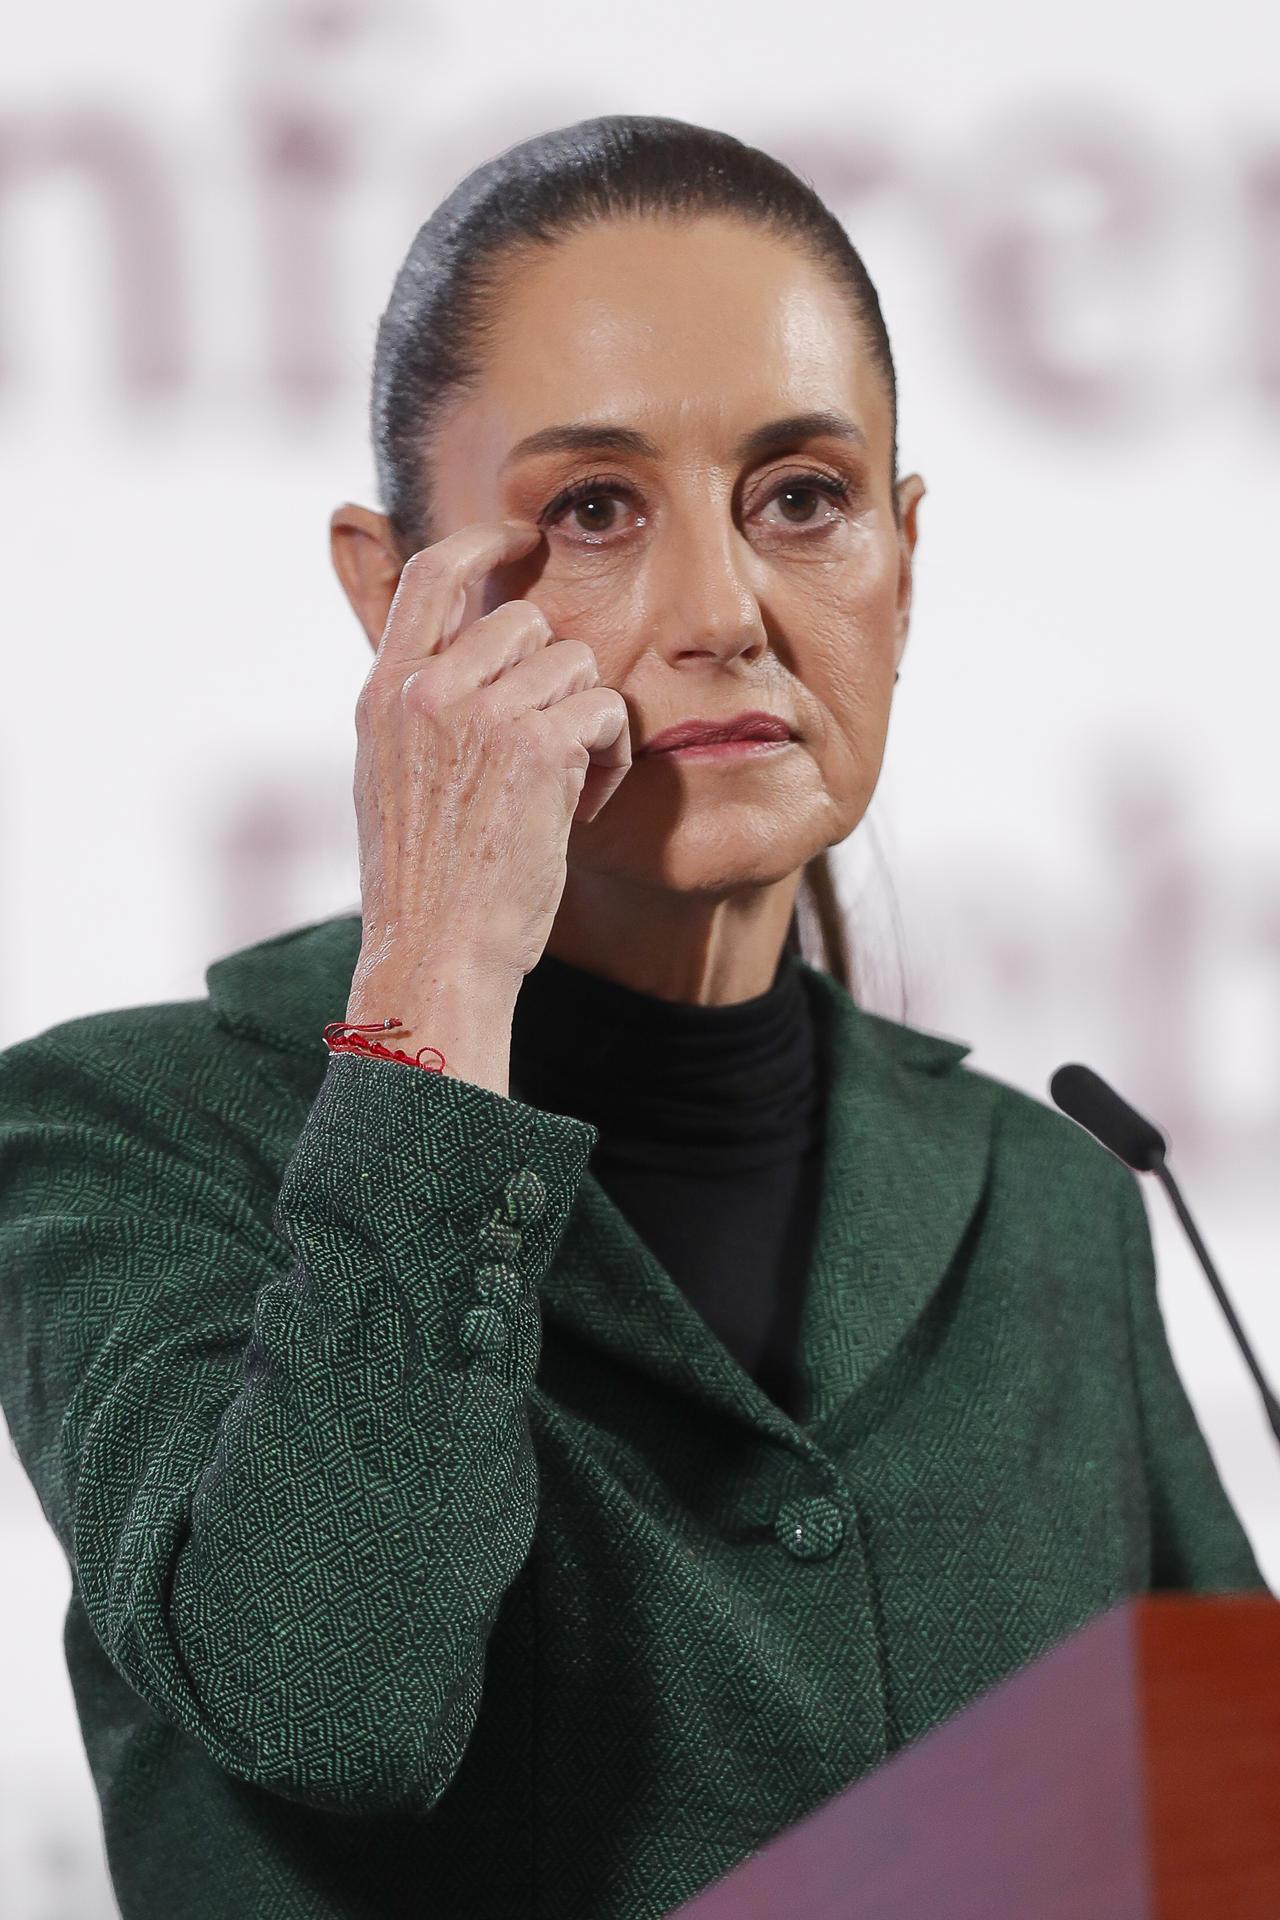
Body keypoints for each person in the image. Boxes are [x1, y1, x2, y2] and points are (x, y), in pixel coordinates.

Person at [0, 116, 1264, 1920]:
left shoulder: (1046, 1194)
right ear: (388, 598)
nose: (724, 610)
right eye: (593, 511)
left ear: (904, 563)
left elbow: (1225, 1838)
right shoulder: (116, 1135)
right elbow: (333, 1706)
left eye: (805, 499)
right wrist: (439, 969)